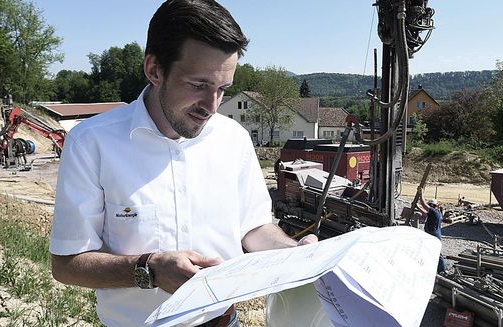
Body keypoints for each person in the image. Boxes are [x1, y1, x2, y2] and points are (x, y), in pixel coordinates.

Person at [47, 1, 317, 326]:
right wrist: (150, 269)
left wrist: (295, 253)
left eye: (222, 89)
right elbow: (66, 264)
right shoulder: (92, 143)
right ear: (154, 69)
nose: (212, 106)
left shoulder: (234, 139)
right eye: (199, 85)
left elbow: (254, 228)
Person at [416, 197, 446, 273]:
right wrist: (417, 207)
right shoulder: (436, 213)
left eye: (431, 205)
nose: (430, 206)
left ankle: (442, 271)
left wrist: (421, 194)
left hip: (433, 236)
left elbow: (423, 204)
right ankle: (431, 267)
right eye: (430, 205)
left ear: (435, 206)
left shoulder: (434, 212)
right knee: (429, 251)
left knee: (437, 254)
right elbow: (425, 214)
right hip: (433, 235)